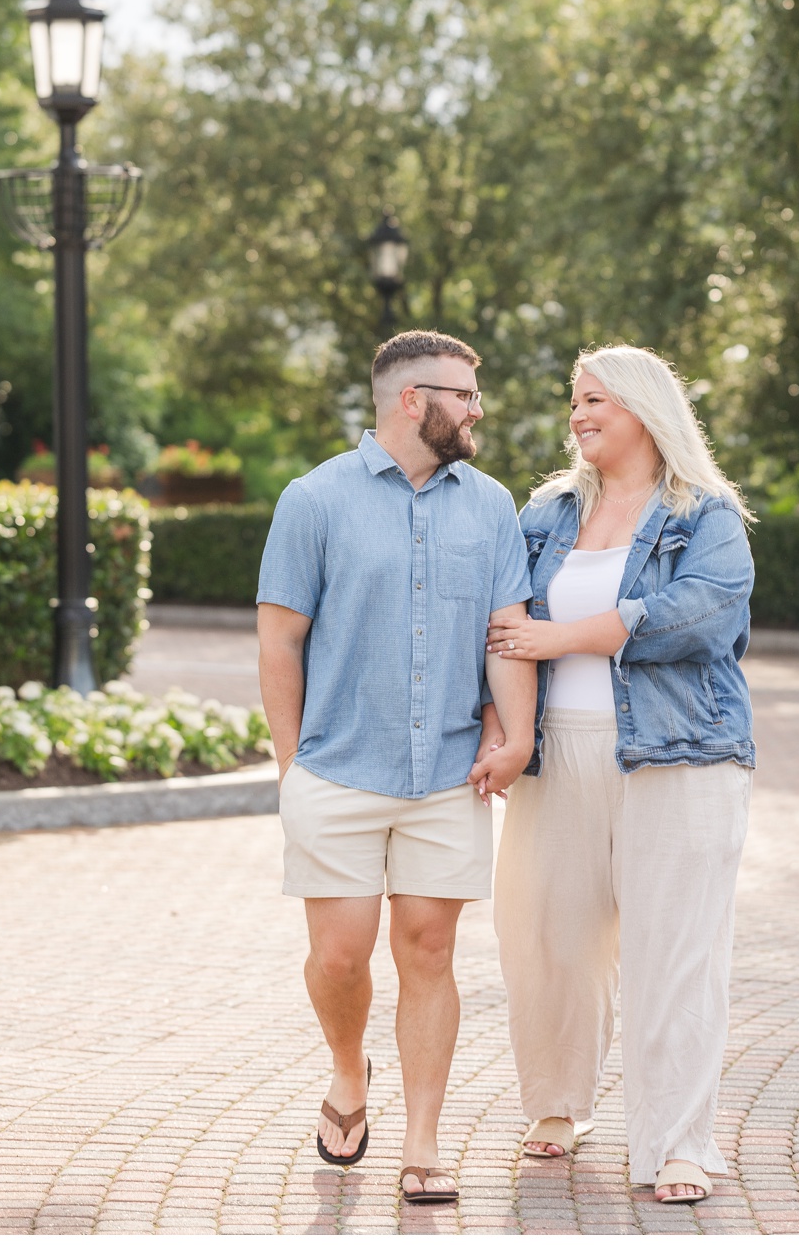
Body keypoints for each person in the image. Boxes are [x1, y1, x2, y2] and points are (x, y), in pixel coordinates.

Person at [257, 329, 536, 1207]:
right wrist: (291, 764)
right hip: (337, 770)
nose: (477, 409)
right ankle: (349, 1070)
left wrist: (516, 736)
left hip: (449, 772)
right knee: (339, 958)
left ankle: (423, 1142)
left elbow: (506, 633)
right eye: (464, 393)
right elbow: (280, 639)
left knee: (429, 948)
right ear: (412, 400)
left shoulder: (491, 506)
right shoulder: (314, 500)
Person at [486, 343, 755, 1206]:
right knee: (548, 938)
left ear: (645, 408)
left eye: (595, 399)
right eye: (574, 402)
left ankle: (678, 1142)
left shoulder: (704, 513)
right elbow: (499, 621)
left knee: (672, 952)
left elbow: (699, 616)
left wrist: (567, 636)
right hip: (556, 752)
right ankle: (559, 1105)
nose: (578, 415)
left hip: (679, 754)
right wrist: (502, 726)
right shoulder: (546, 512)